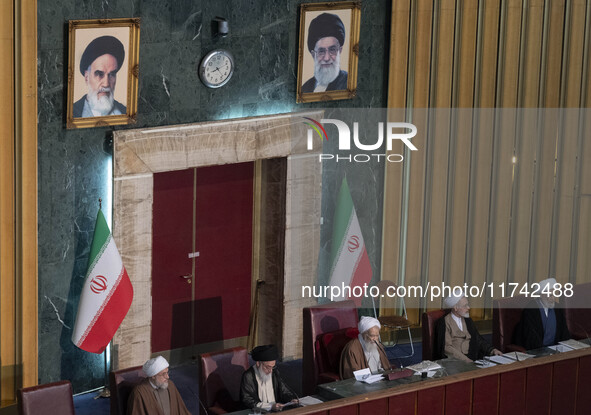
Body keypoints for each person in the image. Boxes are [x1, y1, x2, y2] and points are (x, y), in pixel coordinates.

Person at [436, 294, 502, 363]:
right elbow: (447, 348)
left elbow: (478, 339)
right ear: (455, 307)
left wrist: (492, 350)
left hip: (472, 357)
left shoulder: (468, 320)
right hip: (454, 361)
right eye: (465, 306)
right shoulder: (444, 322)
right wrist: (466, 360)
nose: (468, 308)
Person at [73, 35, 127, 118]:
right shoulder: (72, 113)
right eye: (99, 74)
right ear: (87, 78)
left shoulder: (125, 112)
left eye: (111, 74)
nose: (106, 84)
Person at [513, 277, 571, 350]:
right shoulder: (531, 309)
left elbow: (564, 332)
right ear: (541, 295)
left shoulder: (557, 308)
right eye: (550, 295)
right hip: (537, 350)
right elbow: (530, 337)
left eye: (554, 294)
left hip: (556, 350)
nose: (553, 298)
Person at [240, 344, 298, 411]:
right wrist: (270, 406)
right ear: (258, 363)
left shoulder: (274, 372)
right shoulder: (248, 376)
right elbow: (247, 400)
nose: (270, 371)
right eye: (268, 367)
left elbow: (284, 390)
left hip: (277, 410)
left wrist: (291, 399)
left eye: (273, 367)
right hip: (259, 411)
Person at [301, 13, 348, 93]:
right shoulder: (305, 88)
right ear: (313, 55)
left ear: (340, 51)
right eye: (321, 51)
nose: (327, 58)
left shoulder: (349, 83)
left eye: (332, 50)